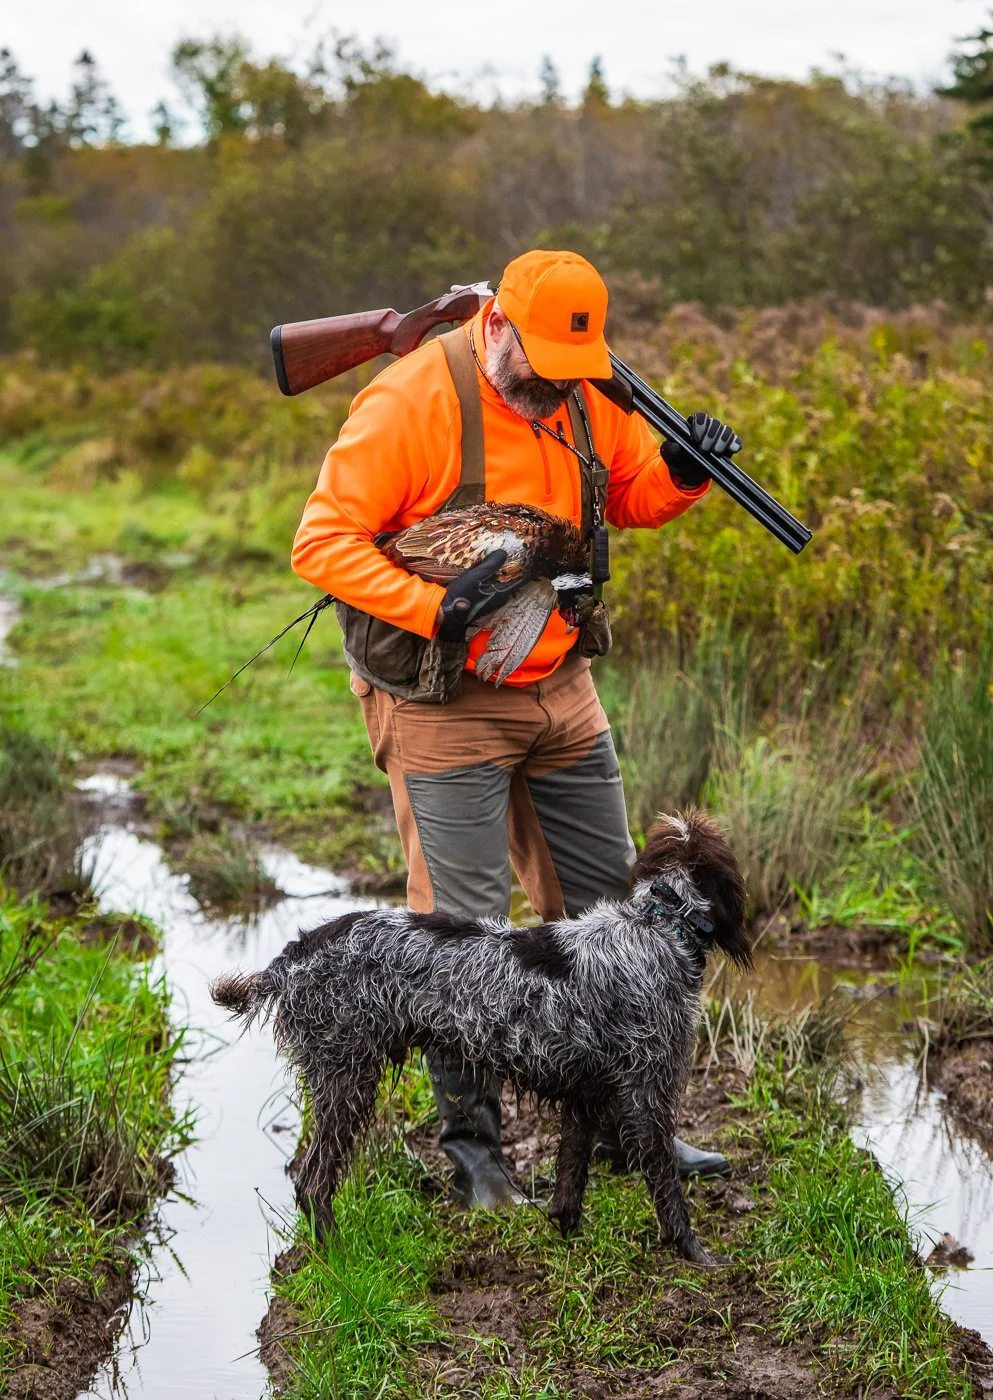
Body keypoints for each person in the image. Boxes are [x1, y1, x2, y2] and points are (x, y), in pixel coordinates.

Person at [291, 249, 741, 1206]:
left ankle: (632, 1131)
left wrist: (682, 472)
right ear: (491, 323)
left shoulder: (585, 387)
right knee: (458, 939)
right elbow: (320, 540)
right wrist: (430, 608)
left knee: (611, 905)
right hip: (442, 701)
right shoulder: (410, 399)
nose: (549, 393)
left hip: (561, 686)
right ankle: (474, 1153)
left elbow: (623, 496)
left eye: (565, 375)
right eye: (534, 366)